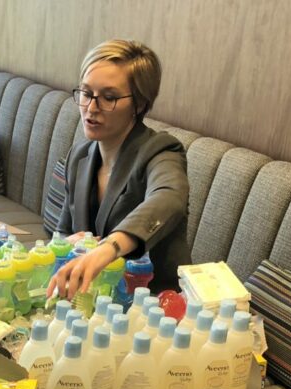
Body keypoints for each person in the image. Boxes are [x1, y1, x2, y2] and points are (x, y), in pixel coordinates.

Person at [49, 39, 189, 300]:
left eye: (109, 98)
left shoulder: (161, 151)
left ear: (139, 104)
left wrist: (109, 248)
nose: (91, 108)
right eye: (86, 93)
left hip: (153, 305)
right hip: (91, 300)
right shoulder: (79, 157)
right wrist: (62, 245)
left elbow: (169, 197)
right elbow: (64, 233)